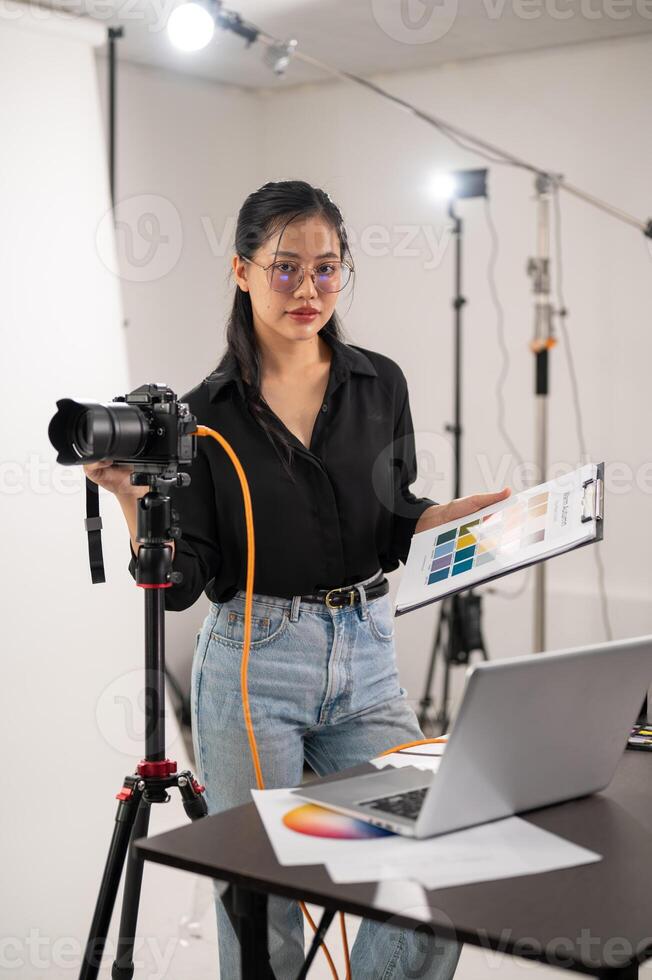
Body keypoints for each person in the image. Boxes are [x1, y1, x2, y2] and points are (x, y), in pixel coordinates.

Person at [85, 179, 510, 979]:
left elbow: (390, 520)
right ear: (241, 270)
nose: (307, 289)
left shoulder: (380, 383)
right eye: (284, 269)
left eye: (326, 268)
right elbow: (184, 582)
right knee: (265, 910)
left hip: (370, 657)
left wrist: (450, 520)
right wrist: (129, 500)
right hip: (253, 663)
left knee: (435, 869)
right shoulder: (203, 415)